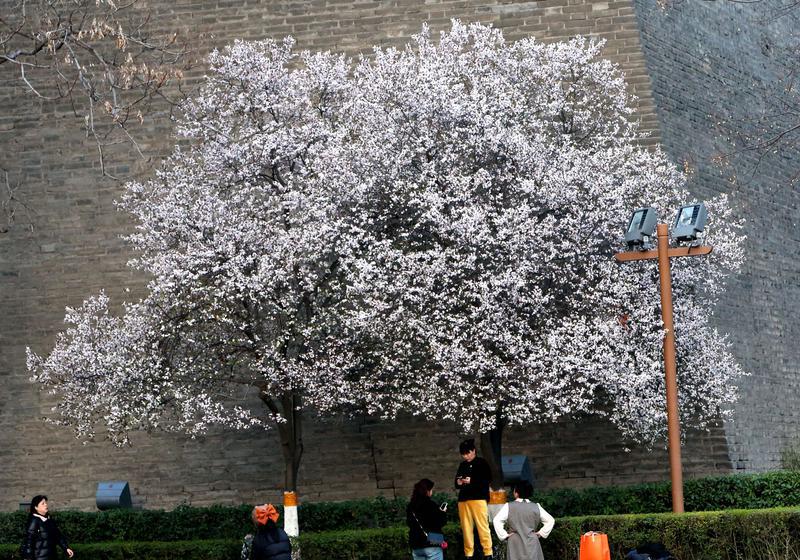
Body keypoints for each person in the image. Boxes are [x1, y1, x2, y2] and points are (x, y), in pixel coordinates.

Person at [492, 481, 555, 560]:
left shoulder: (509, 506)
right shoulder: (536, 506)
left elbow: (496, 520)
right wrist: (541, 533)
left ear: (516, 493)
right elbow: (550, 520)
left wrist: (504, 535)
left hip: (515, 542)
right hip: (532, 540)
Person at [454, 438, 493, 559]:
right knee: (466, 528)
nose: (466, 456)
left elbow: (488, 479)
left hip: (478, 498)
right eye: (463, 454)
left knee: (482, 526)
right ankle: (468, 554)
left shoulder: (481, 462)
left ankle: (488, 552)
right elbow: (456, 483)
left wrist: (472, 480)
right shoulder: (462, 465)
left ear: (474, 451)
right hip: (463, 499)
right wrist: (459, 482)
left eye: (468, 453)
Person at [20, 495, 74, 560]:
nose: (46, 505)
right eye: (43, 503)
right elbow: (29, 541)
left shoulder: (49, 519)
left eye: (46, 503)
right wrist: (28, 557)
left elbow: (57, 535)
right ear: (36, 507)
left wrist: (66, 548)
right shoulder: (34, 521)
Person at [406, 478, 448, 560]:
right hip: (432, 543)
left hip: (416, 545)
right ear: (427, 491)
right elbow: (440, 522)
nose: (432, 492)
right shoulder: (431, 505)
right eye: (431, 490)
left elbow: (409, 523)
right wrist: (442, 512)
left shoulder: (410, 506)